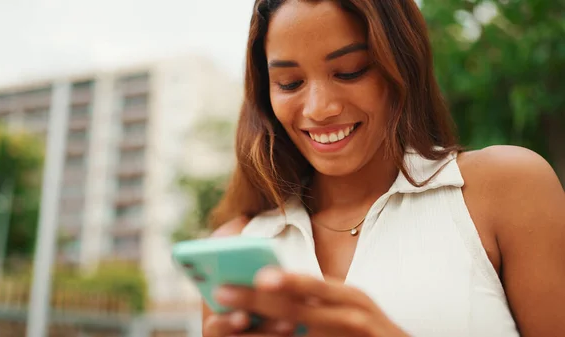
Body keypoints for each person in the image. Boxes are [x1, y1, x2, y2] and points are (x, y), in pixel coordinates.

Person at [201, 0, 565, 336]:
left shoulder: (506, 189)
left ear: (402, 64)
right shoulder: (234, 248)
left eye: (349, 71)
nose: (318, 108)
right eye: (290, 83)